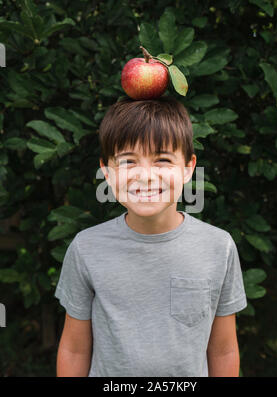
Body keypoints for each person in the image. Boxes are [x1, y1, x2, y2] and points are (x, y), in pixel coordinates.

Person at [54, 95, 247, 377]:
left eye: (162, 159)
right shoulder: (86, 248)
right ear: (106, 172)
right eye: (128, 161)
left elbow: (223, 350)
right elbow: (74, 349)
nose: (145, 175)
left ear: (188, 168)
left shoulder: (218, 247)